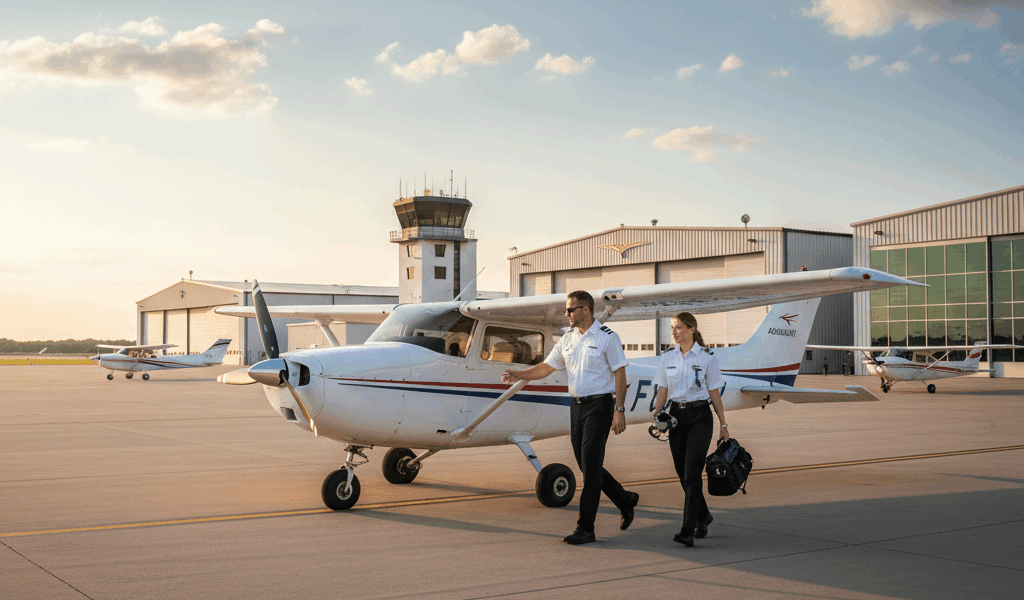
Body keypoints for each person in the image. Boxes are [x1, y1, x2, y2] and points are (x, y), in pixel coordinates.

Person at [502, 290, 640, 545]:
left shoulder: (607, 338)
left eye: (571, 310)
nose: (567, 314)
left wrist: (619, 411)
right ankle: (624, 499)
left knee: (590, 470)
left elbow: (620, 374)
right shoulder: (568, 339)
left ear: (585, 310)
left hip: (600, 406)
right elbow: (547, 367)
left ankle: (586, 527)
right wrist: (521, 374)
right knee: (588, 464)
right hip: (576, 406)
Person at [651, 311, 729, 547]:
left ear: (691, 329)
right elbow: (663, 390)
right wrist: (657, 414)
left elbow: (714, 393)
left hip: (699, 417)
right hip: (675, 416)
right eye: (672, 328)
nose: (674, 332)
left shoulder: (707, 358)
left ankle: (688, 529)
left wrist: (724, 425)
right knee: (681, 473)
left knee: (692, 473)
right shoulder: (667, 358)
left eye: (678, 328)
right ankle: (703, 516)